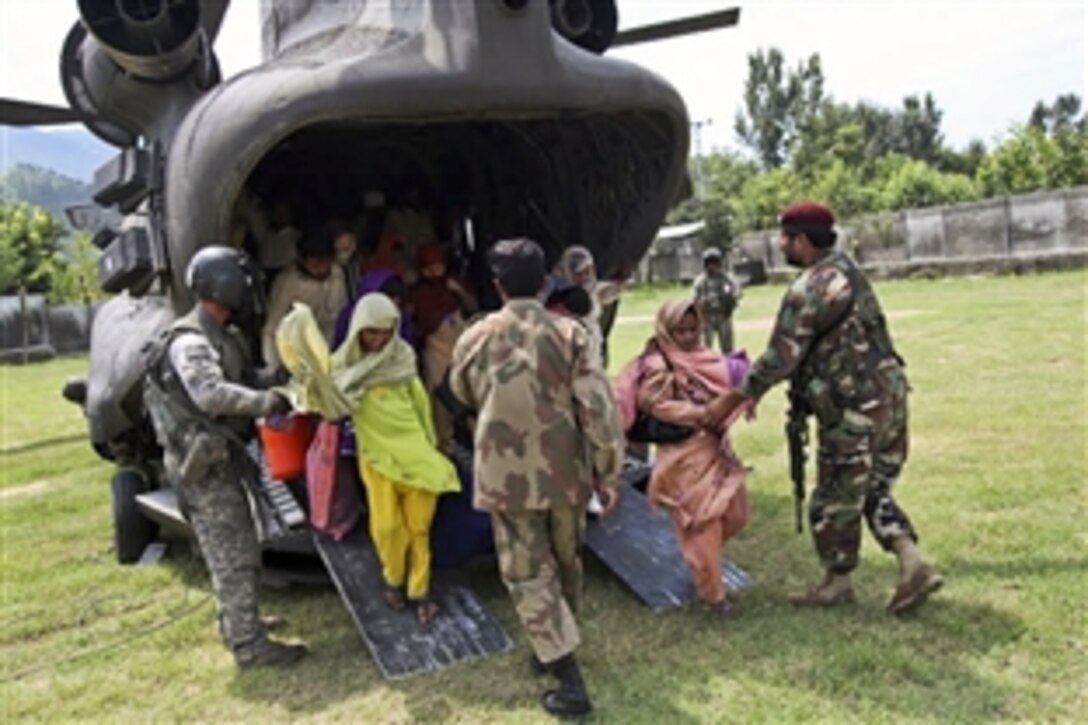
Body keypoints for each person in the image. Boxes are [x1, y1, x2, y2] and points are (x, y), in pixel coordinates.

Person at [704, 201, 943, 614]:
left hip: (852, 409)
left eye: (784, 237)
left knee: (833, 497)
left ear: (801, 240)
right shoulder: (849, 270)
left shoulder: (811, 286)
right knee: (871, 488)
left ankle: (837, 583)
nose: (780, 244)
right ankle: (912, 561)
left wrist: (736, 396)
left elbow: (781, 357)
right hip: (891, 396)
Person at [448, 238, 625, 718]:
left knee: (527, 572)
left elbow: (460, 390)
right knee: (566, 560)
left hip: (506, 473)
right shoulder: (570, 333)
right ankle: (553, 646)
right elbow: (598, 407)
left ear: (498, 284)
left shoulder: (475, 336)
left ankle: (568, 678)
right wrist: (609, 471)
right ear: (546, 279)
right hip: (565, 468)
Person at [142, 246, 307, 668]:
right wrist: (265, 402)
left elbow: (241, 376)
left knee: (241, 544)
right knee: (231, 553)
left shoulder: (223, 335)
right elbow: (210, 394)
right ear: (226, 285)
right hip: (204, 468)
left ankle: (237, 622)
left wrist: (279, 378)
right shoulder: (191, 342)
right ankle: (249, 645)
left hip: (221, 457)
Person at [332, 292, 461, 623]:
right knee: (388, 527)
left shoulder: (403, 359)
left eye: (386, 332)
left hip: (417, 457)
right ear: (358, 328)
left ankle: (421, 592)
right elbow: (329, 407)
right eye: (371, 332)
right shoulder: (341, 370)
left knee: (418, 527)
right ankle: (393, 578)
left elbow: (421, 407)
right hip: (377, 460)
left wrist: (433, 446)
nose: (379, 340)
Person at [634, 300, 749, 613]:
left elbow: (729, 384)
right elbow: (655, 403)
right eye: (680, 331)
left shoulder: (706, 356)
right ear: (666, 330)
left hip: (716, 449)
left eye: (693, 329)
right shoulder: (658, 363)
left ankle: (701, 561)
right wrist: (701, 413)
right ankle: (714, 598)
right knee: (703, 523)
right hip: (684, 455)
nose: (687, 337)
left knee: (736, 513)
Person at [261, 228, 349, 370]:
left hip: (328, 354)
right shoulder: (287, 283)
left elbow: (337, 320)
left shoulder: (337, 276)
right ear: (302, 261)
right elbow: (271, 329)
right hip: (293, 358)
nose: (321, 270)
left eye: (325, 264)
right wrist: (272, 366)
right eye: (314, 265)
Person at [551, 245, 627, 367]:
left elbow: (612, 290)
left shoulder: (594, 290)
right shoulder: (557, 296)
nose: (585, 277)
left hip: (593, 346)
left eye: (588, 271)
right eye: (579, 273)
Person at [692, 247, 741, 353]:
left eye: (714, 263)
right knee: (705, 347)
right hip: (706, 317)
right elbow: (695, 297)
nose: (712, 266)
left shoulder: (727, 278)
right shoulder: (700, 280)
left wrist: (732, 299)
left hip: (724, 315)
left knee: (728, 348)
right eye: (709, 263)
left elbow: (737, 291)